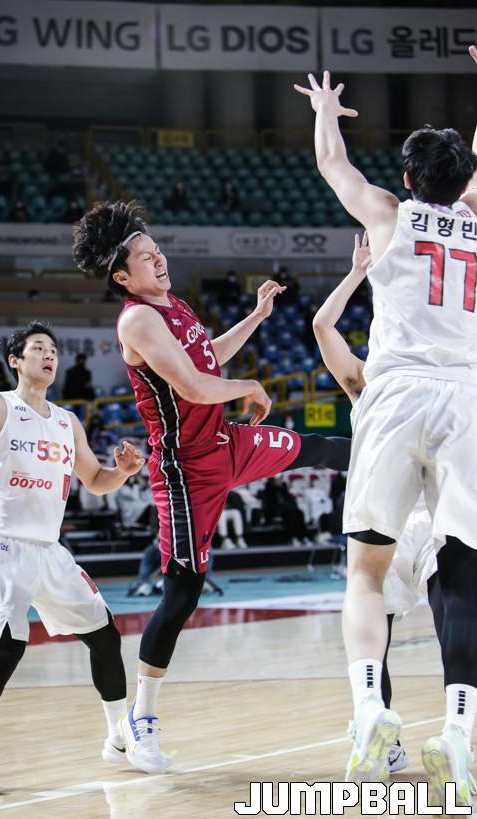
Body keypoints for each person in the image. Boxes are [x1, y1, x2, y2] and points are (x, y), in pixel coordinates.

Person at [72, 198, 351, 775]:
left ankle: (413, 465)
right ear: (122, 276)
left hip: (227, 443)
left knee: (317, 448)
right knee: (183, 593)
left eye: (157, 250)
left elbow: (208, 359)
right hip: (185, 470)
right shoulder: (137, 320)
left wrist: (256, 318)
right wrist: (249, 385)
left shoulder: (173, 304)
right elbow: (195, 387)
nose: (159, 259)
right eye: (145, 257)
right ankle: (139, 721)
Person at [295, 47, 477, 802]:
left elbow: (332, 164)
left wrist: (324, 114)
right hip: (467, 397)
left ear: (407, 176)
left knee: (367, 570)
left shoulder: (388, 214)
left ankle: (371, 707)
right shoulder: (476, 216)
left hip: (396, 391)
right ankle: (460, 731)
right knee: (462, 573)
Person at [0, 321, 145, 796]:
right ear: (15, 360)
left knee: (104, 634)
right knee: (6, 651)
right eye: (38, 348)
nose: (49, 355)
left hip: (49, 550)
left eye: (53, 349)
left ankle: (118, 739)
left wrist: (123, 472)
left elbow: (96, 481)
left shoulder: (67, 421)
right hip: (4, 546)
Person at [312, 232, 440, 774]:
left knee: (373, 636)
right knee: (457, 619)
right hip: (428, 518)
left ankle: (380, 734)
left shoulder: (367, 386)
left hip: (388, 521)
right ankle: (450, 730)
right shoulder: (379, 381)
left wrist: (357, 273)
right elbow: (323, 328)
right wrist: (359, 272)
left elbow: (322, 326)